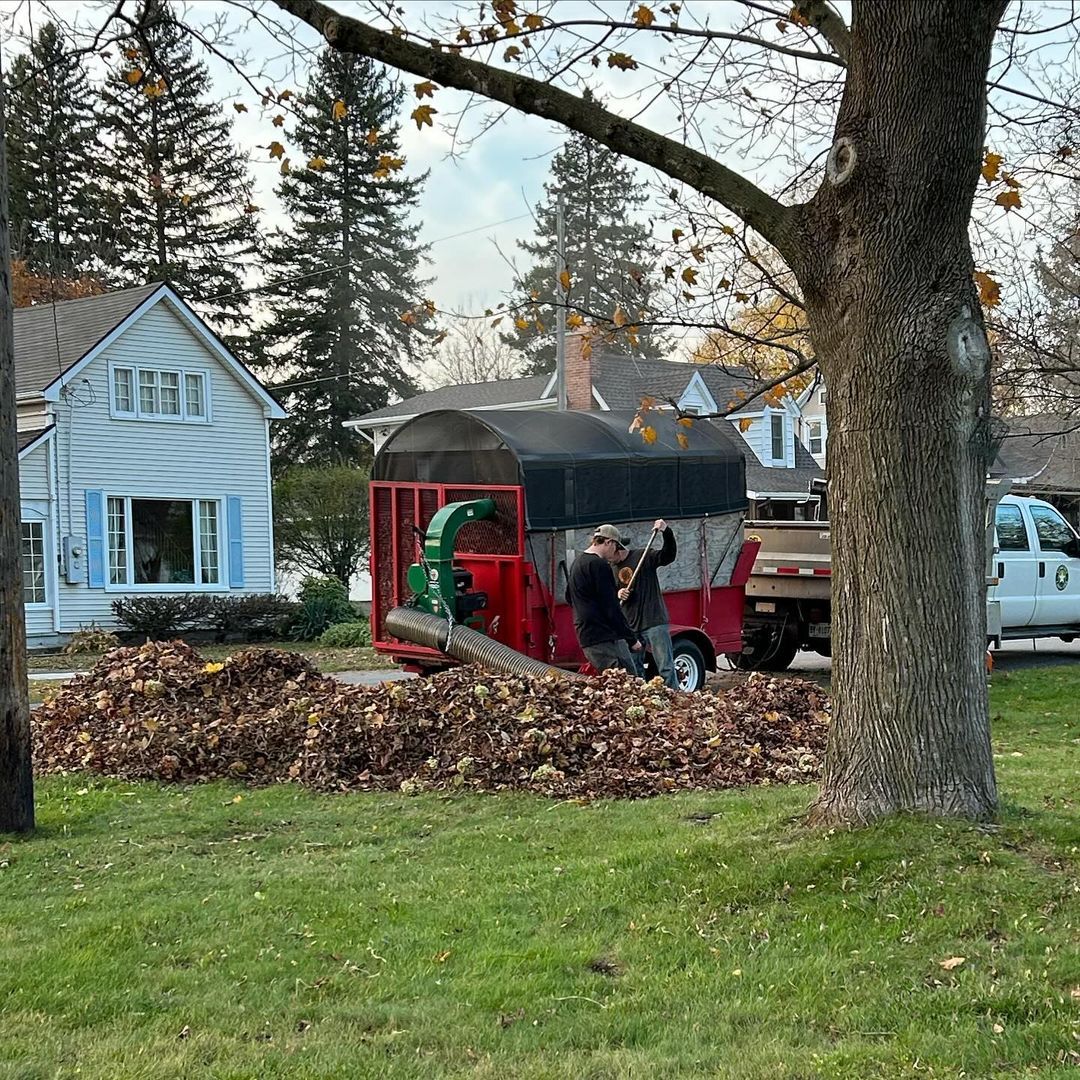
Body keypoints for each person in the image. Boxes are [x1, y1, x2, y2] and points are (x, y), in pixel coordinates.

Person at [565, 524, 644, 674]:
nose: (616, 551)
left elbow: (569, 597)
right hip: (605, 636)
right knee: (629, 681)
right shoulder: (599, 565)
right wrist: (631, 639)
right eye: (616, 546)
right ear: (608, 542)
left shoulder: (577, 562)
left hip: (586, 635)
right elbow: (611, 608)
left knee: (611, 684)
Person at [613, 519, 679, 690]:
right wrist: (618, 593)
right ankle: (643, 701)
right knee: (634, 670)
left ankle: (675, 697)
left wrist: (666, 531)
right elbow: (608, 595)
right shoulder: (610, 567)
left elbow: (668, 555)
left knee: (665, 666)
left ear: (617, 548)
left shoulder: (643, 556)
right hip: (631, 625)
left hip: (654, 621)